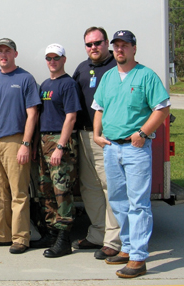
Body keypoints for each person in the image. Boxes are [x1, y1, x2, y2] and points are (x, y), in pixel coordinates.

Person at [92, 30, 170, 278]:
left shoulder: (146, 76)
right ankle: (125, 247)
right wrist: (96, 135)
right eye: (116, 46)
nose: (120, 50)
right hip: (112, 148)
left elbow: (162, 108)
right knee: (118, 201)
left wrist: (143, 133)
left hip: (135, 148)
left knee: (138, 204)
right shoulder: (108, 77)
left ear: (134, 48)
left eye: (125, 45)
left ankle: (138, 257)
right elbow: (99, 108)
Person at [0, 38, 40, 254]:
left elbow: (32, 114)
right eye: (0, 51)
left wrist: (25, 144)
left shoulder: (25, 79)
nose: (3, 55)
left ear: (15, 54)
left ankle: (21, 238)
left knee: (19, 193)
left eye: (8, 51)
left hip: (16, 141)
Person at [71, 27, 121, 260]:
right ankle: (98, 233)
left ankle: (113, 240)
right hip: (83, 136)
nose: (93, 48)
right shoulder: (82, 69)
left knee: (110, 189)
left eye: (97, 43)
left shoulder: (118, 67)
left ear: (107, 42)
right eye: (89, 44)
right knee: (89, 188)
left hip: (107, 138)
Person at [31, 43, 81, 258]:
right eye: (49, 58)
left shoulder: (68, 84)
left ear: (64, 59)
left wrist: (60, 146)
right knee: (46, 189)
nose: (52, 62)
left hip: (60, 140)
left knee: (62, 190)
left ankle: (64, 238)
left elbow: (71, 117)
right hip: (44, 140)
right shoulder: (45, 85)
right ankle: (51, 231)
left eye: (56, 58)